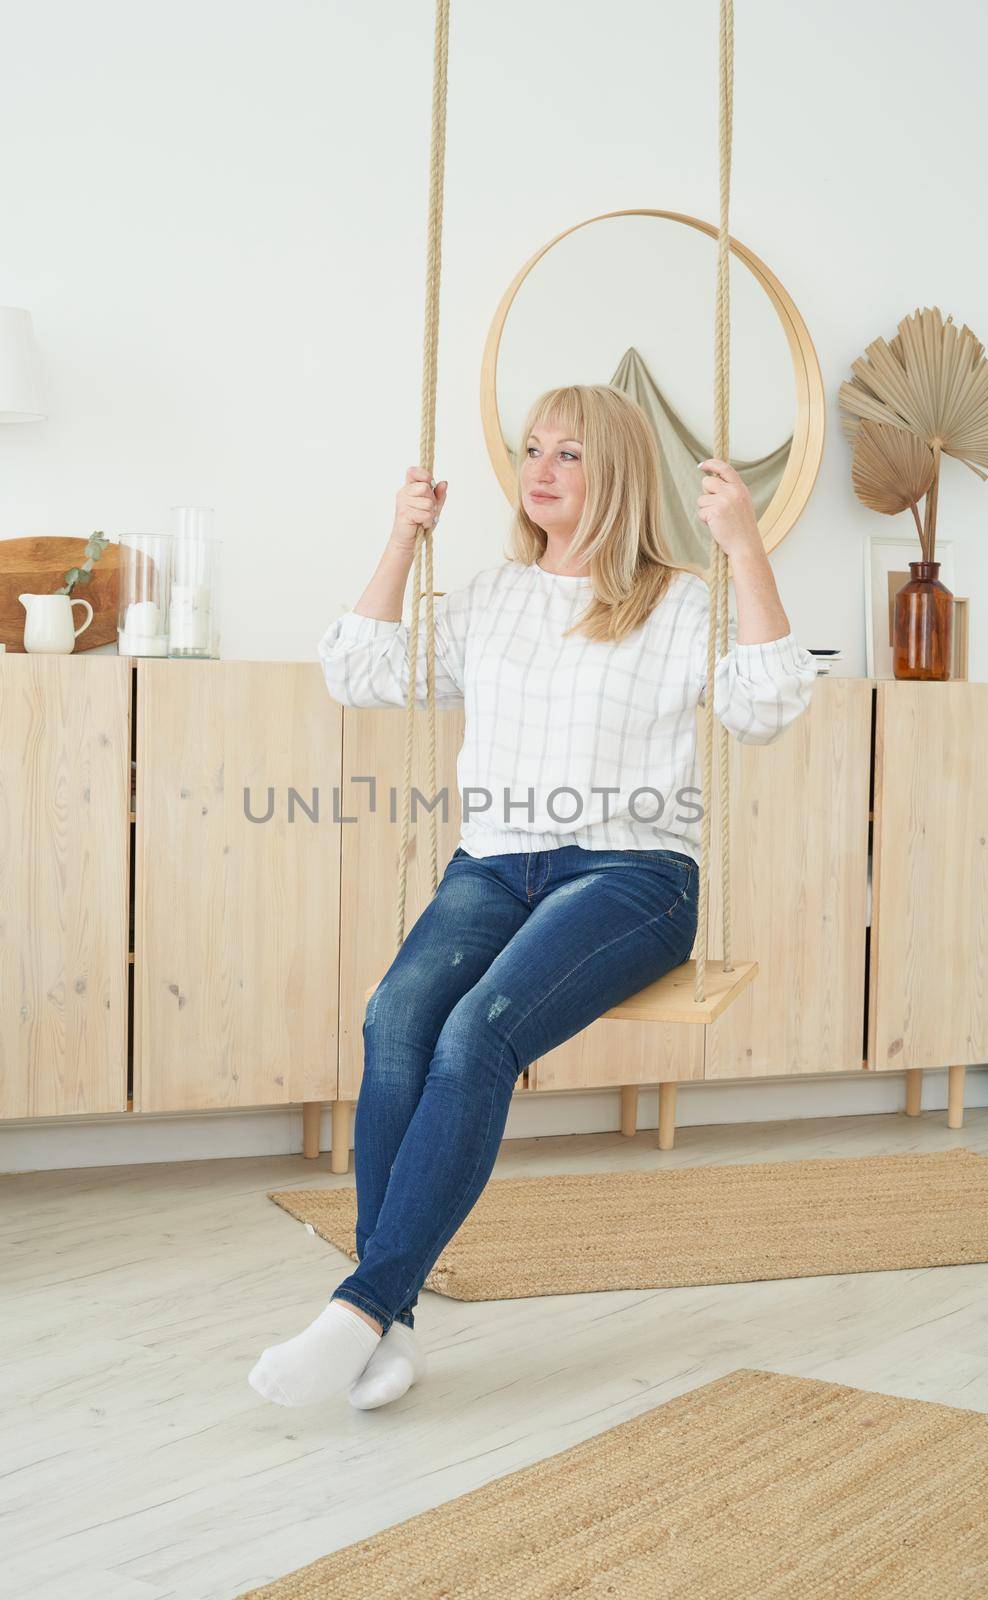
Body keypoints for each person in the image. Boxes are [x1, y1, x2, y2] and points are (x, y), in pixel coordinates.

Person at [248, 383, 817, 1412]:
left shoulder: (682, 601)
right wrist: (397, 540)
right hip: (494, 863)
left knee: (478, 1035)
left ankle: (360, 1309)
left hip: (630, 871)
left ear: (618, 478)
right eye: (530, 448)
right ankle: (388, 1325)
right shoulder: (492, 594)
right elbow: (359, 672)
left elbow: (766, 704)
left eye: (569, 454)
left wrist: (742, 547)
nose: (539, 469)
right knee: (395, 1021)